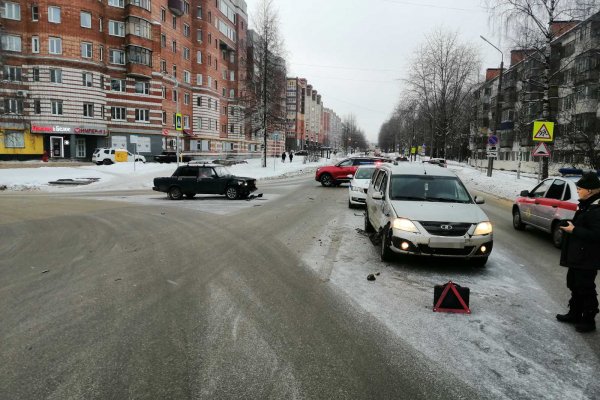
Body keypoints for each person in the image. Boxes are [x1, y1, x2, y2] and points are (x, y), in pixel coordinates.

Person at [557, 171, 600, 333]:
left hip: (588, 257)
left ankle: (589, 320)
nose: (577, 190)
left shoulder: (596, 209)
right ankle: (574, 313)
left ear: (590, 190)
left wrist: (574, 230)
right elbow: (584, 226)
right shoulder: (587, 205)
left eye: (580, 188)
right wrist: (570, 224)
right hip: (579, 255)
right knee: (574, 284)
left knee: (585, 287)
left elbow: (597, 234)